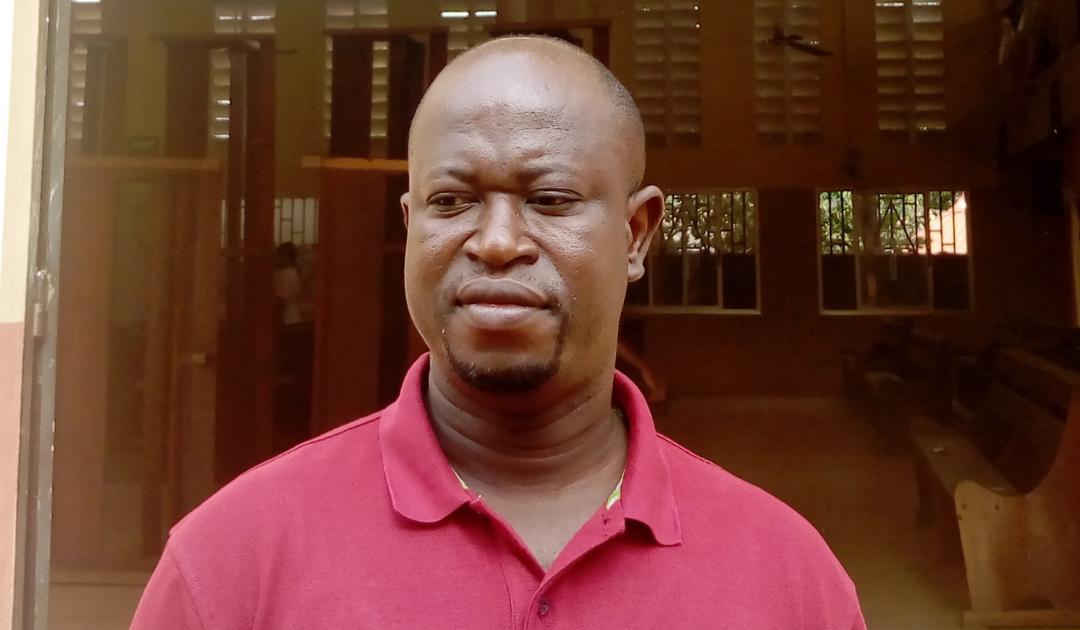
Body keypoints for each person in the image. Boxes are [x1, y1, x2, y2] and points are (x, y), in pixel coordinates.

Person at [131, 36, 867, 629]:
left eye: (550, 199)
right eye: (452, 201)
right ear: (410, 226)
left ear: (636, 234)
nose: (496, 242)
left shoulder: (786, 574)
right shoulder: (232, 560)